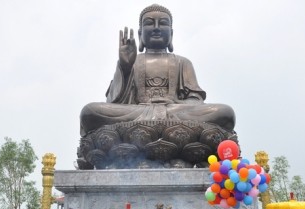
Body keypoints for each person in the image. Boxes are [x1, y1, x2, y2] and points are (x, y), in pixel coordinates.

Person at [79, 4, 235, 136]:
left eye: (162, 23)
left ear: (171, 34)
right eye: (149, 23)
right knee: (90, 112)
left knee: (224, 112)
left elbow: (196, 102)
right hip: (136, 114)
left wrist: (173, 105)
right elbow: (114, 101)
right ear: (140, 34)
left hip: (174, 114)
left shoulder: (183, 62)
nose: (156, 28)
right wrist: (125, 67)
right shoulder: (132, 62)